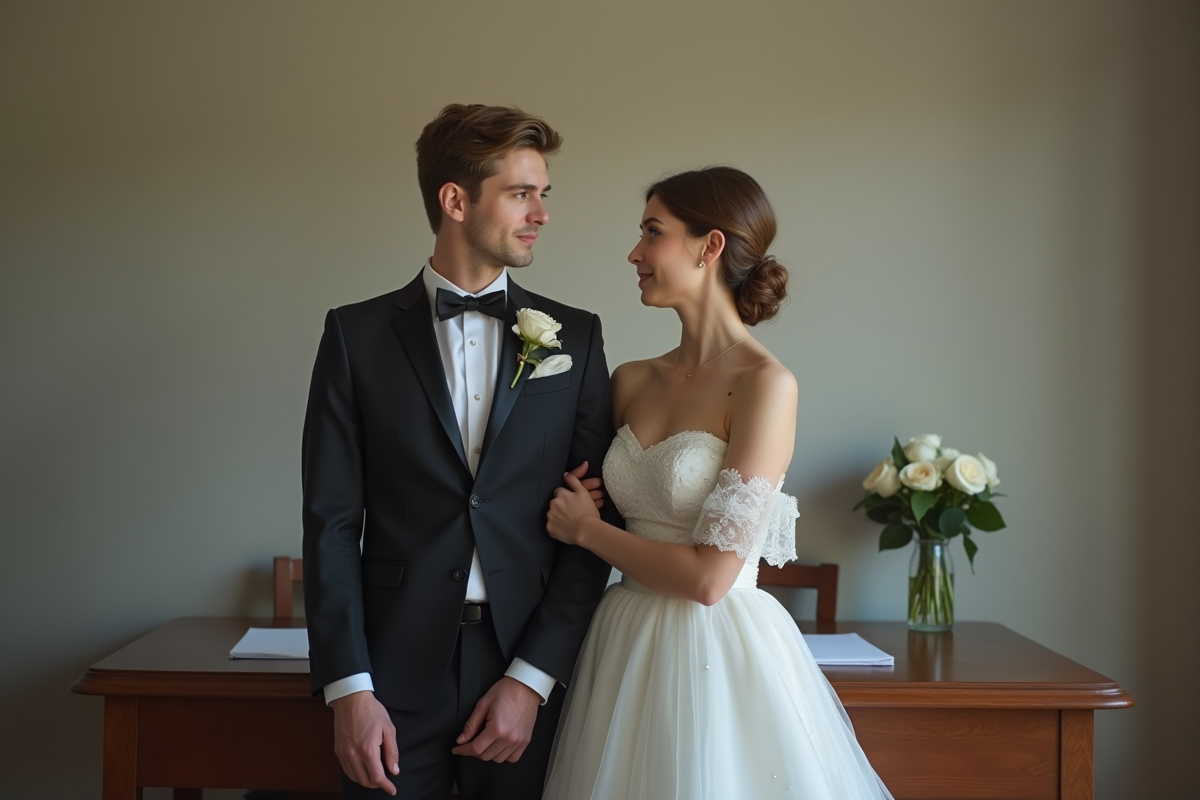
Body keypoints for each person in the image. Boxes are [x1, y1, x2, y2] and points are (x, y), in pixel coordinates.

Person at [542, 167, 894, 799]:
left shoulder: (766, 385)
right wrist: (581, 503)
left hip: (715, 650)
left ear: (710, 247)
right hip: (621, 640)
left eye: (653, 232)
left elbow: (710, 579)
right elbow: (582, 491)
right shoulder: (629, 379)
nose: (635, 253)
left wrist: (588, 531)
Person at [301, 103, 617, 800]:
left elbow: (596, 530)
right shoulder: (355, 337)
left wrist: (532, 680)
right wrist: (348, 689)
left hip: (524, 664)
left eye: (544, 195)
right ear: (455, 200)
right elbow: (328, 522)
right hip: (387, 676)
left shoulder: (578, 337)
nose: (541, 213)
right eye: (521, 193)